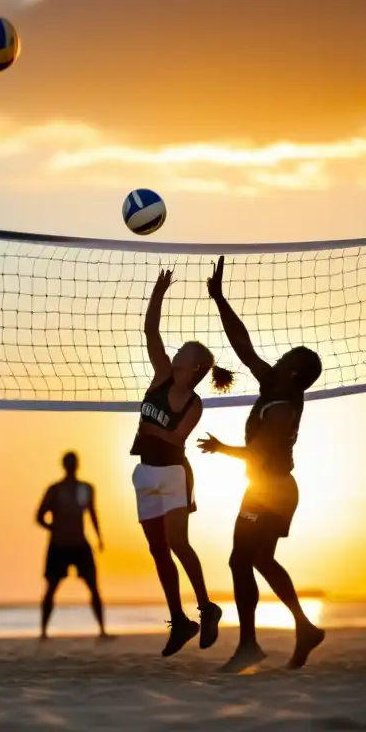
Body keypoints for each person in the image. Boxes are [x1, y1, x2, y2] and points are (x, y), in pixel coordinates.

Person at [197, 255, 326, 672]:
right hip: (270, 488)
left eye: (287, 358)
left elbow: (258, 455)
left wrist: (221, 449)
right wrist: (219, 299)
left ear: (293, 375)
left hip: (270, 490)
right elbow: (244, 346)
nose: (280, 359)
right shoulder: (276, 385)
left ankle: (250, 645)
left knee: (241, 561)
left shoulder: (283, 406)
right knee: (260, 561)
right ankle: (305, 628)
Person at [131, 268, 231, 657]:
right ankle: (180, 620)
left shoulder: (194, 403)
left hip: (174, 473)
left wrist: (148, 430)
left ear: (194, 369)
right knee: (158, 551)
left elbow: (176, 438)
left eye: (181, 355)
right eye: (175, 353)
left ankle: (207, 607)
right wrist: (158, 291)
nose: (173, 355)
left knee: (178, 543)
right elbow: (151, 332)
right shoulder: (159, 377)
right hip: (145, 472)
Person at [36, 451, 110, 640]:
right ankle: (43, 631)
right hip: (59, 545)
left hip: (79, 544)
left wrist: (99, 537)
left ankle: (102, 630)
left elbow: (93, 513)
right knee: (52, 587)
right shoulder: (55, 490)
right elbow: (40, 515)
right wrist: (53, 527)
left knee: (93, 586)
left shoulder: (86, 488)